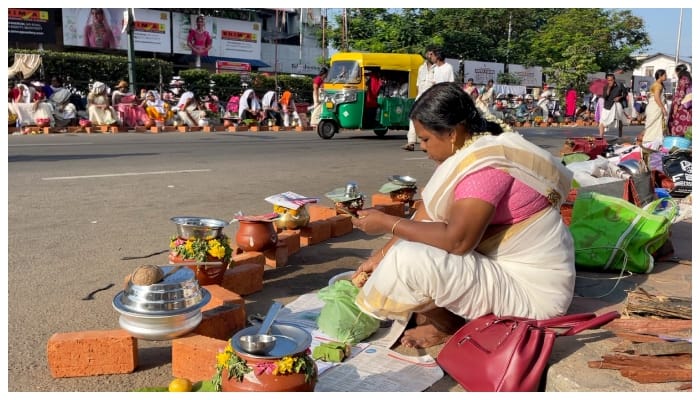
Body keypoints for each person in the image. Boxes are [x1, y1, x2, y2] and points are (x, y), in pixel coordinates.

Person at [350, 82, 575, 349]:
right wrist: (377, 259)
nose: (423, 147)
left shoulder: (485, 168)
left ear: (453, 133)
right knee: (407, 250)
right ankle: (446, 316)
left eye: (425, 139)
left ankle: (452, 327)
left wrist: (387, 223)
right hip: (515, 273)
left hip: (533, 297)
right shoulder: (479, 151)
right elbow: (423, 218)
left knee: (408, 261)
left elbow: (458, 241)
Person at [403, 48, 434, 151]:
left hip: (432, 98)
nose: (430, 56)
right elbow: (417, 85)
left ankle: (426, 143)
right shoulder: (421, 68)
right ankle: (411, 142)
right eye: (428, 53)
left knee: (428, 121)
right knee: (413, 118)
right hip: (420, 96)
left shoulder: (438, 68)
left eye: (431, 54)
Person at [641, 69, 668, 148]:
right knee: (651, 126)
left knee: (655, 127)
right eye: (665, 75)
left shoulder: (658, 84)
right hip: (655, 108)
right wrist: (663, 108)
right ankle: (647, 144)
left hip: (654, 107)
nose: (666, 76)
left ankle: (653, 144)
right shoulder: (658, 85)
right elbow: (656, 98)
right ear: (660, 76)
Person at [597, 73, 626, 138]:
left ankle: (620, 135)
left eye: (611, 80)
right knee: (602, 121)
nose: (610, 81)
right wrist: (609, 87)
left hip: (617, 105)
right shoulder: (605, 86)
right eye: (608, 80)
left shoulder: (619, 85)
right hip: (607, 106)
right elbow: (605, 96)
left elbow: (625, 94)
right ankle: (601, 137)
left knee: (619, 120)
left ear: (614, 79)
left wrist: (620, 97)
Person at [668, 64, 692, 137]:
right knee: (686, 124)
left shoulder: (682, 79)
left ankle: (678, 141)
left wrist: (676, 105)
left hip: (682, 106)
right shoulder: (689, 79)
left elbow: (681, 93)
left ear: (679, 71)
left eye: (676, 72)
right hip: (688, 105)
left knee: (678, 123)